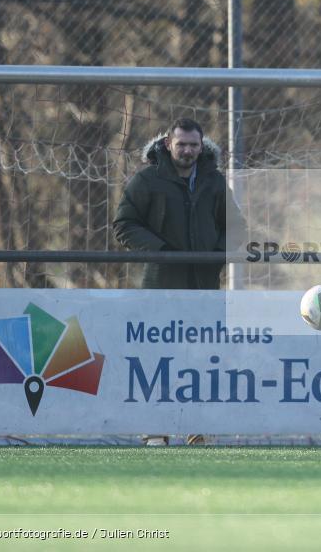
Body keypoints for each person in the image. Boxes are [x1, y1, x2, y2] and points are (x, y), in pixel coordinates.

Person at [113, 117, 230, 446]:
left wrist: (216, 254)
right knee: (157, 357)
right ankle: (155, 430)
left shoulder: (215, 182)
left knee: (202, 357)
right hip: (160, 286)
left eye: (194, 145)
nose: (188, 151)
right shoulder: (147, 180)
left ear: (201, 145)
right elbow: (124, 224)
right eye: (182, 144)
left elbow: (235, 226)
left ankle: (197, 428)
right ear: (168, 144)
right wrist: (161, 251)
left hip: (204, 288)